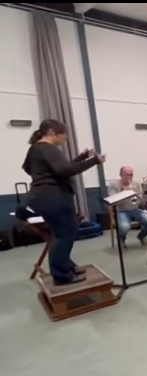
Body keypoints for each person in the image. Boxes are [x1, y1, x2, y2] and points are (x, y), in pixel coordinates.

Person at [21, 119, 105, 285]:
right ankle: (62, 276)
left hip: (43, 198)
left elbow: (40, 168)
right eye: (64, 134)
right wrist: (94, 161)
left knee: (60, 235)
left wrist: (82, 157)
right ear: (52, 132)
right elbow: (65, 170)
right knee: (65, 235)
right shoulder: (48, 148)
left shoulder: (35, 148)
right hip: (54, 198)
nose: (66, 137)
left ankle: (66, 267)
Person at [108, 166, 147, 248]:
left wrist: (135, 194)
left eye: (131, 175)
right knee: (124, 227)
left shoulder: (136, 184)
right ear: (120, 175)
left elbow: (142, 203)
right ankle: (122, 239)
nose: (129, 177)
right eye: (127, 175)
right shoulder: (113, 185)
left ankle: (141, 236)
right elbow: (113, 201)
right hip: (121, 211)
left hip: (135, 210)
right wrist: (125, 192)